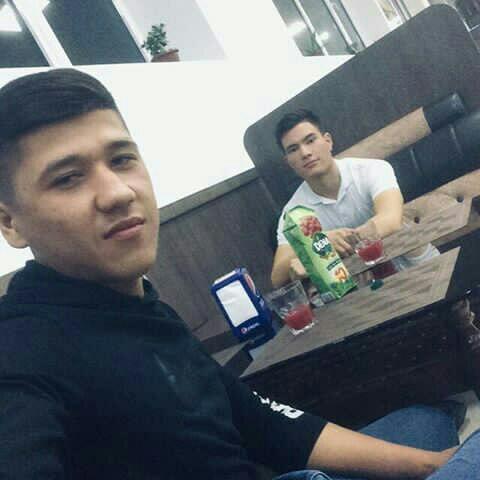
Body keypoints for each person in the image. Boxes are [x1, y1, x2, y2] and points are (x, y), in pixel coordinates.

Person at [0, 68, 476, 480]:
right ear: (10, 222)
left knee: (427, 422)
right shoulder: (21, 355)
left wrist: (429, 466)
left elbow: (260, 420)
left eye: (122, 160)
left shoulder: (144, 308)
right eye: (68, 178)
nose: (118, 193)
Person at [271, 109, 438, 288]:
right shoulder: (293, 212)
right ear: (289, 162)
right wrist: (319, 243)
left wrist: (321, 248)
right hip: (367, 294)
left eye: (310, 140)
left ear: (328, 141)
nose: (305, 153)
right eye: (293, 149)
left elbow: (390, 220)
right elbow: (277, 277)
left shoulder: (372, 170)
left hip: (423, 269)